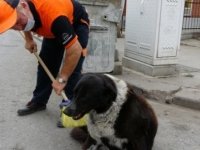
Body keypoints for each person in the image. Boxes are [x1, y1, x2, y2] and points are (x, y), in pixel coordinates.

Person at [0, 0, 89, 116]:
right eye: (13, 27)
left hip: (76, 21)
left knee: (73, 68)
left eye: (18, 21)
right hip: (50, 25)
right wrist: (29, 39)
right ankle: (39, 101)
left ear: (24, 6)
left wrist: (62, 79)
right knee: (46, 64)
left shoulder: (55, 18)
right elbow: (23, 23)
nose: (19, 27)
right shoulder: (23, 12)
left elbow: (75, 50)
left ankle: (69, 107)